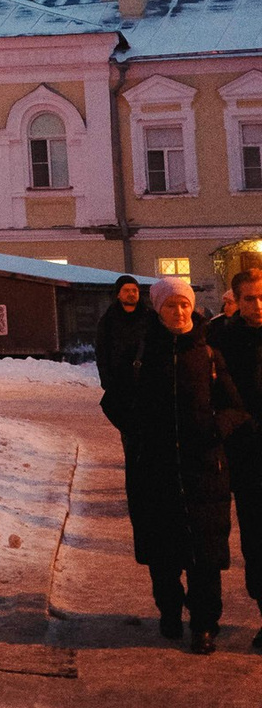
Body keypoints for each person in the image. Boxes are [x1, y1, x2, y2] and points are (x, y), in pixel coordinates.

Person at [121, 275, 247, 652]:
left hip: (205, 468)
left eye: (184, 304)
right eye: (170, 305)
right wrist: (139, 434)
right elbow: (117, 400)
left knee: (205, 556)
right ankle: (170, 611)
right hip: (156, 469)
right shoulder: (143, 352)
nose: (179, 311)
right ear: (158, 308)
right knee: (163, 554)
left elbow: (234, 406)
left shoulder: (208, 352)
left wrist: (215, 428)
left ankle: (205, 625)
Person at [207, 266, 262, 648]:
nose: (258, 305)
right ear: (236, 301)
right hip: (247, 456)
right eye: (250, 298)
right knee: (257, 542)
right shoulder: (222, 339)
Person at [98, 275, 153, 428]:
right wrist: (107, 380)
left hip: (146, 381)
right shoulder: (108, 320)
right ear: (118, 294)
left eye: (134, 290)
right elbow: (102, 351)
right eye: (127, 290)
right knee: (128, 428)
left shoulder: (150, 318)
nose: (131, 293)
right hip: (119, 381)